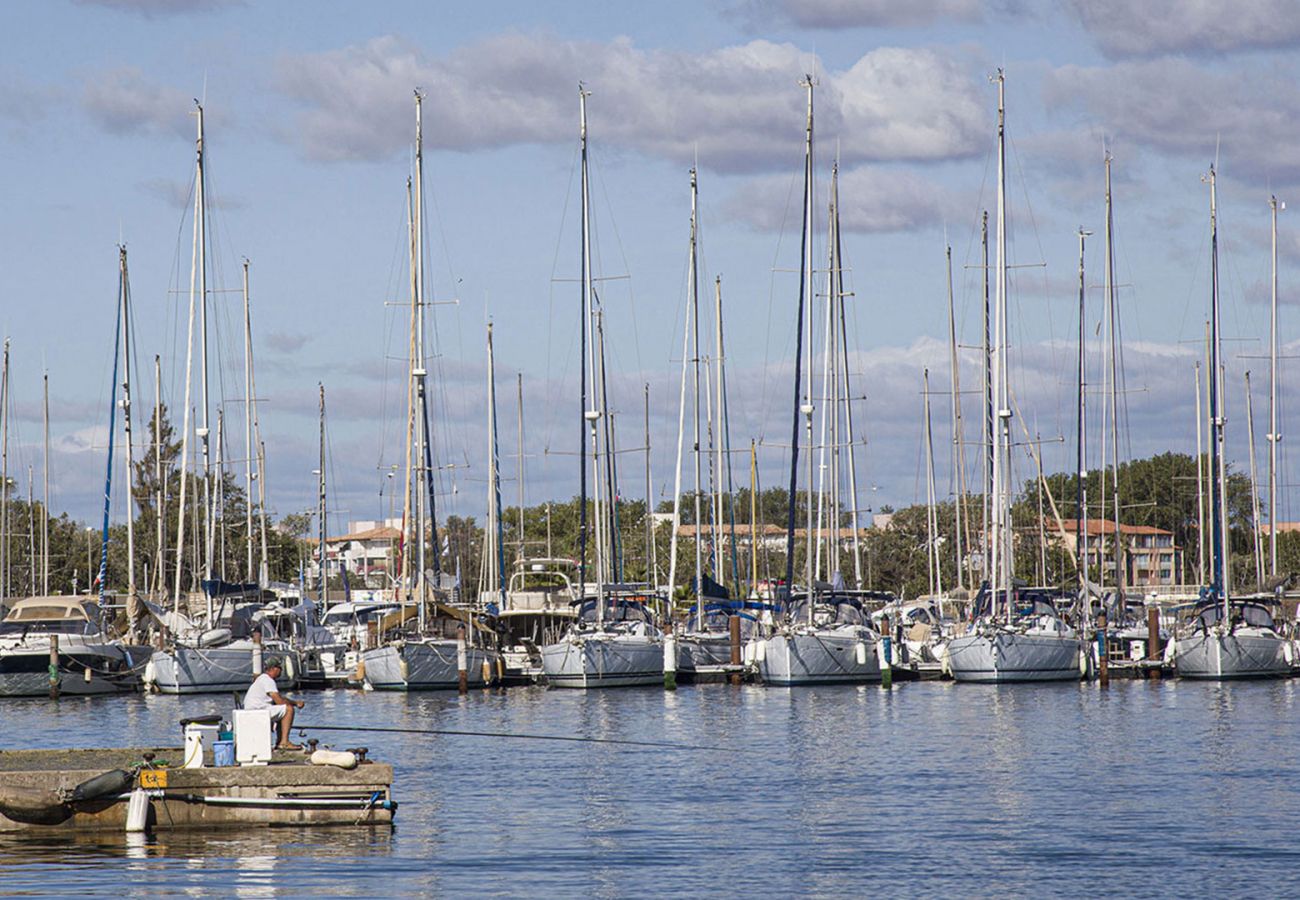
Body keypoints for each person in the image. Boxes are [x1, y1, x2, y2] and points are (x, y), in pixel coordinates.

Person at [242, 657, 305, 750]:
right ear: (273, 668)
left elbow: (278, 699)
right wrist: (295, 703)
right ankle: (284, 742)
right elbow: (280, 701)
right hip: (256, 711)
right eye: (279, 668)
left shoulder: (262, 678)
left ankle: (280, 741)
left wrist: (294, 702)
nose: (281, 670)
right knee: (288, 709)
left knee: (283, 709)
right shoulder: (268, 680)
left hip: (252, 710)